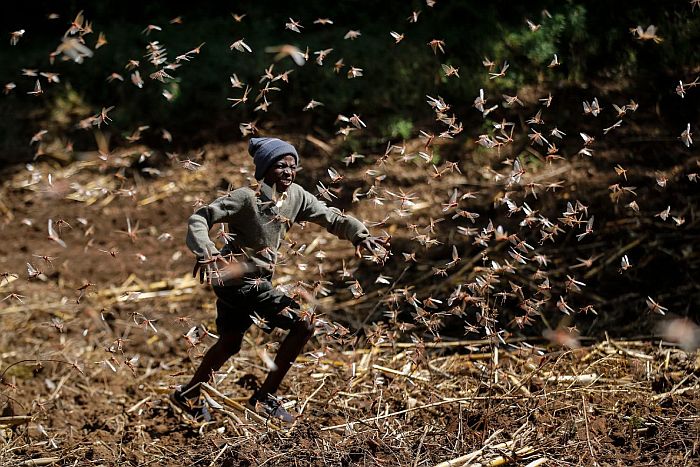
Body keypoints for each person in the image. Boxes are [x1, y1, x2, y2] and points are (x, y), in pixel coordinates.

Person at [171, 137, 385, 423]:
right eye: (280, 166)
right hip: (235, 280)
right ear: (264, 170)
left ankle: (188, 394)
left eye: (292, 166)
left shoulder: (296, 197)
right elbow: (201, 217)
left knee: (230, 343)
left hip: (254, 282)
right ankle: (264, 398)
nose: (288, 172)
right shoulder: (247, 199)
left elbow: (332, 218)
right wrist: (206, 251)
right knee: (303, 323)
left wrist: (361, 235)